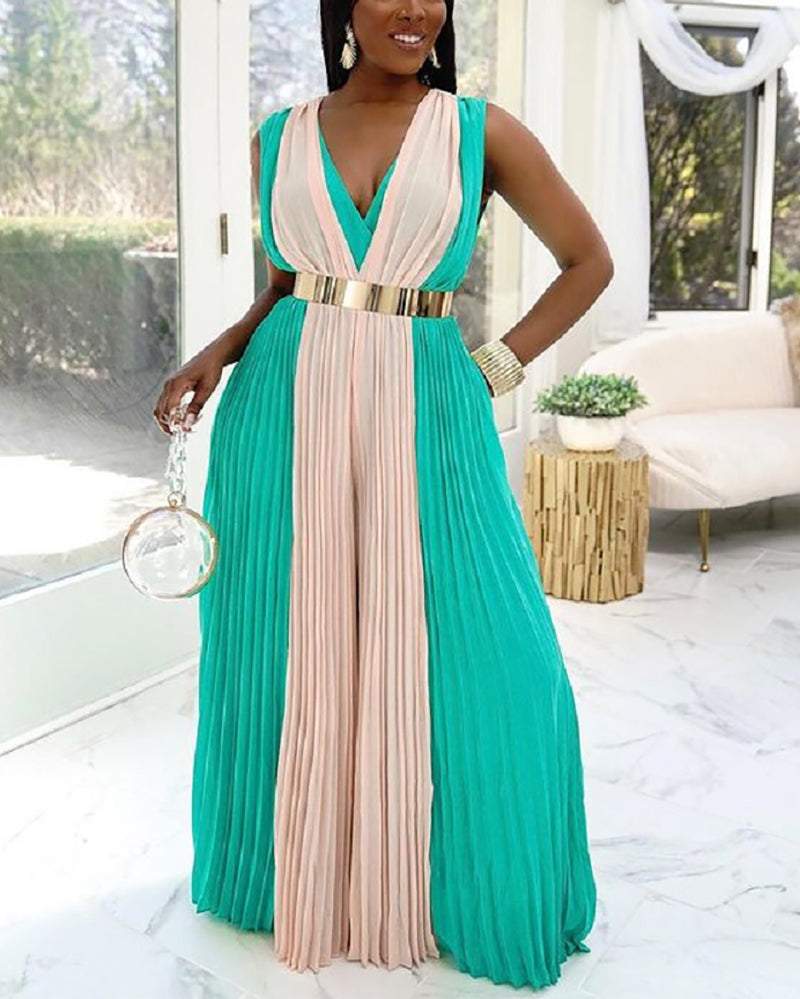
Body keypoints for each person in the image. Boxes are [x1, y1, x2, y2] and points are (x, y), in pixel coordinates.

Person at [153, 0, 613, 990]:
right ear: (343, 7)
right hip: (280, 409)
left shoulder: (481, 131)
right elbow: (287, 286)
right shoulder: (278, 136)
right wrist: (214, 353)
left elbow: (589, 262)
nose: (414, 9)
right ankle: (286, 876)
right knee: (281, 637)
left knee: (494, 645)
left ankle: (474, 886)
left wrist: (491, 370)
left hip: (428, 401)